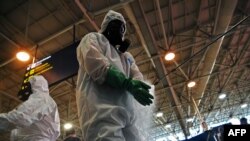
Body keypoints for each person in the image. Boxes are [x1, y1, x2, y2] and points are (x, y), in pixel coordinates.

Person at [76, 10, 154, 141]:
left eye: (123, 28)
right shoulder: (93, 39)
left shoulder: (126, 57)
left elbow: (137, 76)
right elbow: (96, 65)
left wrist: (139, 86)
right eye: (116, 26)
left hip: (128, 114)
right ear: (106, 27)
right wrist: (127, 83)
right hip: (101, 112)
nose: (120, 31)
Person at [0, 75, 60, 141]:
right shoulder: (38, 100)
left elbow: (20, 118)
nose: (26, 88)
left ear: (36, 85)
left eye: (28, 85)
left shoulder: (42, 98)